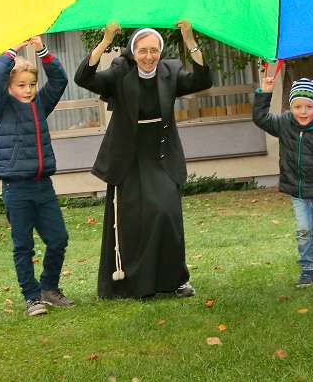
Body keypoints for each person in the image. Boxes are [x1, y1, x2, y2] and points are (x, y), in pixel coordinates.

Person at [75, 21, 213, 299]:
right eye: (143, 50)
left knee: (166, 212)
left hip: (161, 155)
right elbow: (84, 78)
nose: (149, 56)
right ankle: (135, 283)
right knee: (133, 221)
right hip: (128, 157)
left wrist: (189, 40)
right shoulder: (120, 72)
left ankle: (176, 280)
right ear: (133, 51)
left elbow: (202, 80)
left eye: (154, 50)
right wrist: (104, 41)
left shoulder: (169, 72)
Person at [0, 37, 71, 318]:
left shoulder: (40, 105)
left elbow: (59, 80)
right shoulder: (0, 110)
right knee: (23, 245)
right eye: (21, 85)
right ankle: (32, 297)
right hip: (16, 189)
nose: (28, 90)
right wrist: (12, 50)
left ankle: (49, 287)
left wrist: (41, 50)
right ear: (10, 88)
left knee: (58, 239)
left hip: (43, 186)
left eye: (31, 85)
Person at [253, 76, 313, 286]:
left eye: (308, 106)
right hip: (299, 192)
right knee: (303, 231)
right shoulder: (285, 124)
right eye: (297, 106)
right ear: (291, 107)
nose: (302, 112)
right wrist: (265, 92)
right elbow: (261, 118)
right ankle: (307, 269)